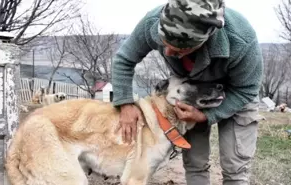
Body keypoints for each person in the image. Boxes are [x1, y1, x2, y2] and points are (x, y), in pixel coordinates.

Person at [111, 0, 263, 184]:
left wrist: (207, 116)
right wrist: (125, 103)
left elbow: (247, 89)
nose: (166, 52)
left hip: (235, 93)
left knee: (235, 166)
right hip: (190, 94)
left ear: (202, 43)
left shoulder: (241, 40)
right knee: (195, 162)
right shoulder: (153, 20)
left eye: (177, 50)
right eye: (163, 42)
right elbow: (124, 59)